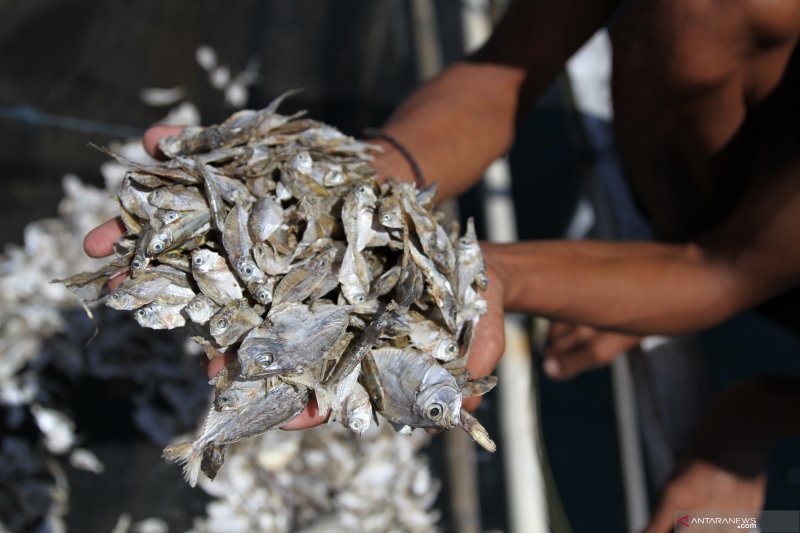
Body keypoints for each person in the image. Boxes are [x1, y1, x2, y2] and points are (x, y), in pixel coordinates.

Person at [84, 0, 800, 529]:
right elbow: (507, 70)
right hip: (727, 231)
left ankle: (761, 409)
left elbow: (725, 269)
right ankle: (644, 278)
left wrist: (751, 417)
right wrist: (354, 179)